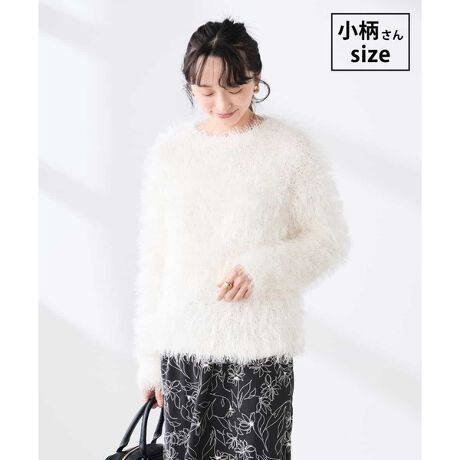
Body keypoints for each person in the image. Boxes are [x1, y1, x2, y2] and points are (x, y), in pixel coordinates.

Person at [133, 17, 351, 459]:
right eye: (205, 91)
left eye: (234, 86)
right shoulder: (170, 153)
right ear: (189, 86)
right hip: (184, 352)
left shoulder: (290, 149)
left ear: (256, 77)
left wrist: (262, 269)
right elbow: (156, 257)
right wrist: (149, 359)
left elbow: (329, 240)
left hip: (258, 354)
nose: (221, 103)